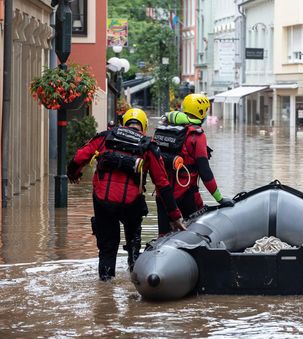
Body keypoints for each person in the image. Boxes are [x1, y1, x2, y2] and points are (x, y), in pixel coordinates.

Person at [67, 108, 186, 281]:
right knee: (133, 244)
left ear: (123, 123)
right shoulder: (148, 145)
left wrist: (74, 174)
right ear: (143, 126)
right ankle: (136, 280)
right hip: (131, 203)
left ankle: (106, 288)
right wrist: (175, 216)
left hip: (103, 200)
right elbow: (162, 183)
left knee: (107, 247)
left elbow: (78, 157)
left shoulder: (105, 137)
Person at [154, 93, 234, 236]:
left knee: (163, 237)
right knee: (196, 235)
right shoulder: (196, 136)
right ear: (201, 112)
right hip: (186, 195)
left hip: (163, 195)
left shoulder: (166, 129)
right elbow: (205, 171)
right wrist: (220, 199)